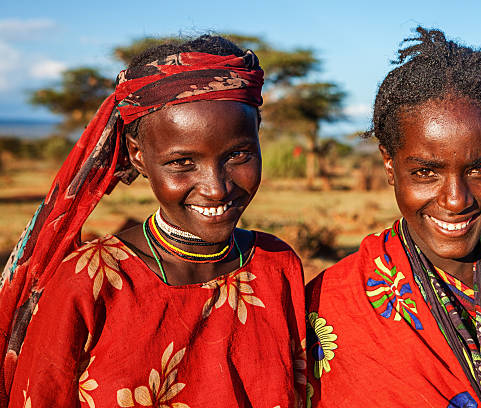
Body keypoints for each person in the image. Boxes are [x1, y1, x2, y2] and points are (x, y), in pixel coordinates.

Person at [0, 35, 306, 407]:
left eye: (238, 154)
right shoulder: (90, 282)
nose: (216, 188)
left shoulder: (276, 265)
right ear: (138, 156)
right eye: (182, 162)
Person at [306, 27, 481, 408]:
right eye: (426, 172)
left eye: (480, 169)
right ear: (389, 164)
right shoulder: (329, 304)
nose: (456, 199)